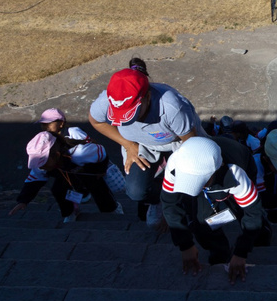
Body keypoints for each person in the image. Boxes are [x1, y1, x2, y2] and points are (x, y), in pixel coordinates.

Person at [88, 67, 206, 228]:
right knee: (135, 191)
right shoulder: (107, 101)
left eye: (131, 113)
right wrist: (128, 145)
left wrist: (171, 208)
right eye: (119, 115)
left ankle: (176, 205)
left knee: (188, 182)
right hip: (140, 144)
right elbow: (96, 121)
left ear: (147, 97)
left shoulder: (172, 107)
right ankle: (158, 201)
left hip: (178, 143)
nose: (125, 120)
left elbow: (191, 144)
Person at [160, 137, 270, 282]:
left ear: (216, 171)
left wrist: (241, 252)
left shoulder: (236, 174)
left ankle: (262, 237)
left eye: (199, 182)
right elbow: (170, 203)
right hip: (211, 183)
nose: (194, 188)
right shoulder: (176, 164)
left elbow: (252, 212)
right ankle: (220, 253)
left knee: (243, 211)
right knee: (201, 222)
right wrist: (185, 244)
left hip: (239, 167)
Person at [11, 129, 122, 223]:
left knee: (99, 190)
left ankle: (112, 210)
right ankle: (70, 212)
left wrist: (100, 170)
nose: (41, 166)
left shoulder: (80, 153)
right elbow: (34, 180)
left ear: (57, 155)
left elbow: (101, 152)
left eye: (43, 162)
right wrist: (23, 201)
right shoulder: (42, 165)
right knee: (58, 190)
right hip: (66, 176)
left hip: (88, 172)